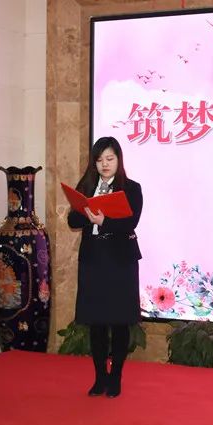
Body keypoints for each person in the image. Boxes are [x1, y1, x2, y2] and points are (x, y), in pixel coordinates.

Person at [68, 136, 143, 398]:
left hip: (120, 261)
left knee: (120, 322)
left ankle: (116, 377)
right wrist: (87, 215)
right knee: (97, 322)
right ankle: (100, 377)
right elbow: (72, 220)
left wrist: (104, 221)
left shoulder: (131, 188)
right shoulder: (87, 186)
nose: (105, 164)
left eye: (110, 159)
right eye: (99, 160)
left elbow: (131, 222)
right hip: (94, 260)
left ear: (119, 160)